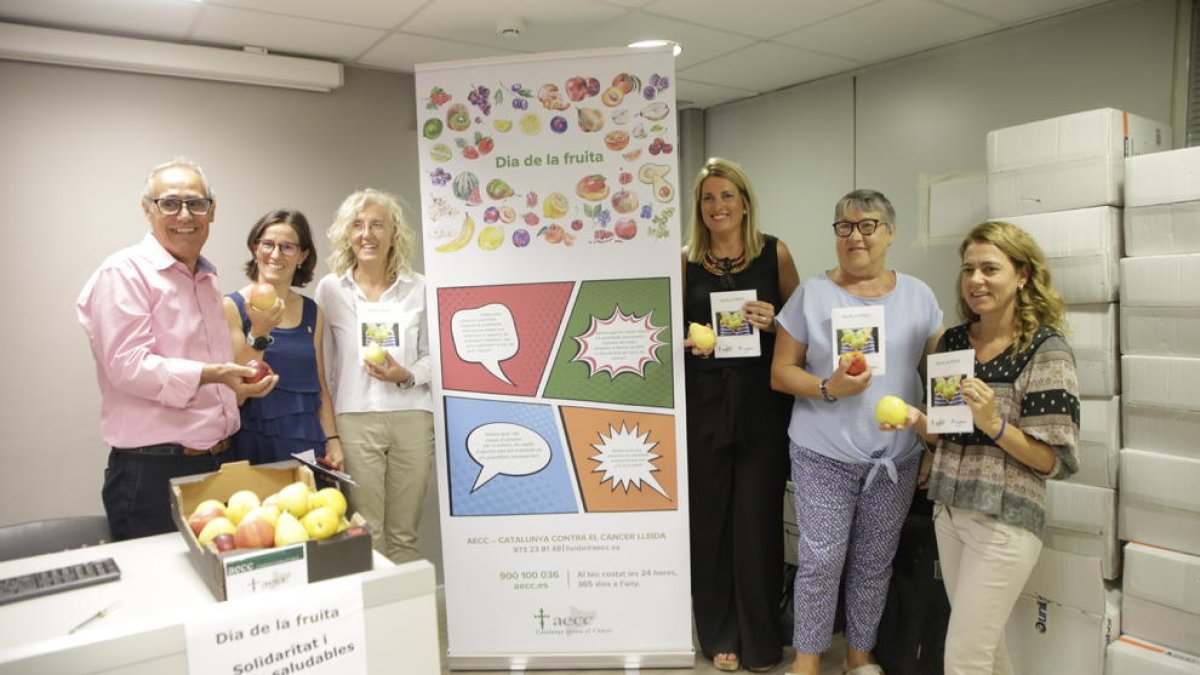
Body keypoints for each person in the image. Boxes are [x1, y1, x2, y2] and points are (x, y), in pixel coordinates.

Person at [882, 221, 1079, 674]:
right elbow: (945, 434)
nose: (975, 280)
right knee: (988, 652)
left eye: (990, 269)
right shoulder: (953, 342)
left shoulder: (1045, 351)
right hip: (950, 513)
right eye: (968, 269)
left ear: (1023, 275)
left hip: (1006, 521)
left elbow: (1054, 460)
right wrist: (917, 421)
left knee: (964, 657)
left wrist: (994, 423)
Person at [771, 189, 943, 675]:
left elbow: (937, 375)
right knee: (821, 562)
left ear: (890, 232)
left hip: (895, 457)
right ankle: (806, 660)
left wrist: (934, 444)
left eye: (867, 225)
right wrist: (829, 386)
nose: (855, 236)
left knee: (873, 563)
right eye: (844, 226)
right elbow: (781, 372)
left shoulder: (920, 295)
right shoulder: (812, 294)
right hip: (822, 453)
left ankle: (858, 656)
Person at [77, 158, 277, 541]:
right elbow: (128, 366)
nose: (184, 215)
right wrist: (212, 374)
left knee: (220, 587)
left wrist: (236, 386)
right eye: (170, 203)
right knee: (159, 594)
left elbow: (213, 374)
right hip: (154, 472)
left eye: (196, 203)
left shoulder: (206, 278)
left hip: (220, 461)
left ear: (212, 211)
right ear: (147, 209)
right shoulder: (123, 272)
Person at [682, 157, 800, 673]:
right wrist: (690, 343)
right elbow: (666, 331)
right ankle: (718, 632)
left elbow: (803, 330)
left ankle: (759, 636)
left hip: (761, 405)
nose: (717, 207)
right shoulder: (683, 260)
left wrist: (776, 321)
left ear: (745, 202)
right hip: (704, 402)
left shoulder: (775, 252)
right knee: (710, 522)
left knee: (757, 520)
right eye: (708, 198)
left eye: (727, 196)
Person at [315, 189, 433, 564]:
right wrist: (330, 432)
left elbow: (437, 356)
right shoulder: (331, 289)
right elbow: (326, 368)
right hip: (356, 419)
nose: (367, 234)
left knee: (403, 534)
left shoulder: (421, 287)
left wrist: (406, 374)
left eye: (377, 225)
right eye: (358, 225)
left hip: (412, 416)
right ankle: (379, 619)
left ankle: (409, 621)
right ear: (347, 235)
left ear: (394, 233)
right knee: (368, 532)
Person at [222, 210, 344, 470]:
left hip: (307, 437)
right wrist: (259, 331)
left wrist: (332, 439)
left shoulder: (313, 312)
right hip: (252, 440)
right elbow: (234, 389)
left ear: (303, 256)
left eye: (287, 247)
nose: (275, 255)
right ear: (255, 248)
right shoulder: (232, 307)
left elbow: (320, 382)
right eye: (268, 244)